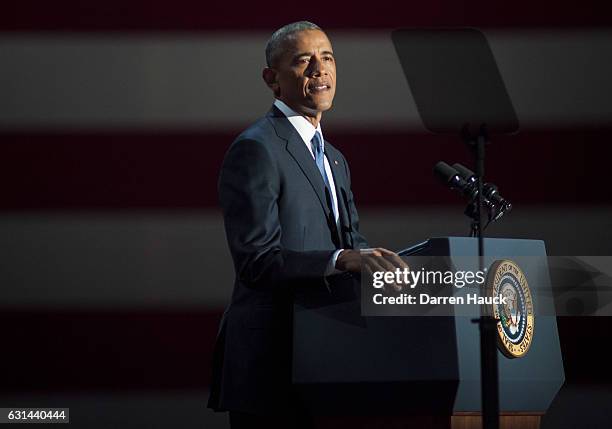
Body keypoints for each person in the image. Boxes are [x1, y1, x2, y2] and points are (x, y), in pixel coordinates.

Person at [208, 21, 407, 428]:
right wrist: (343, 259)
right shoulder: (256, 149)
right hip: (273, 367)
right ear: (272, 79)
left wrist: (393, 273)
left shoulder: (334, 158)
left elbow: (354, 246)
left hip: (330, 360)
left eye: (328, 57)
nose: (320, 69)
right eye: (303, 60)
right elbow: (258, 262)